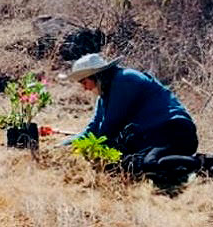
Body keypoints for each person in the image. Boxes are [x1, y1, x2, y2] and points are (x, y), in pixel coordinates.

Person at [60, 53, 201, 184]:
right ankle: (179, 169)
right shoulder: (104, 95)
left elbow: (110, 127)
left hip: (173, 130)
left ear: (95, 76)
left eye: (84, 82)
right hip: (151, 136)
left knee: (148, 164)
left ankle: (204, 163)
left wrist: (92, 150)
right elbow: (93, 128)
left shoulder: (125, 79)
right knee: (125, 166)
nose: (84, 88)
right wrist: (64, 146)